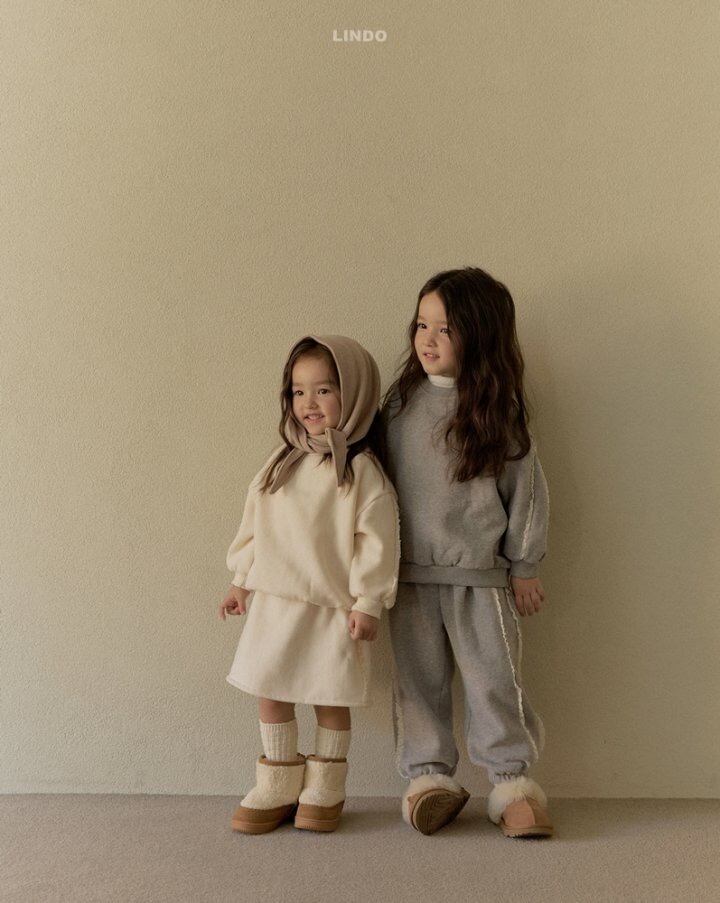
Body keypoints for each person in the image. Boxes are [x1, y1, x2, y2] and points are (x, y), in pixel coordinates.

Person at [382, 267, 553, 838]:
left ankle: (511, 785)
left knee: (494, 682)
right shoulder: (400, 405)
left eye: (445, 328)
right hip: (408, 578)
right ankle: (428, 779)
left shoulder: (497, 412)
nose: (427, 339)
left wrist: (525, 565)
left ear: (478, 335)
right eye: (421, 324)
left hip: (481, 578)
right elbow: (373, 486)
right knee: (417, 684)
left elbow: (527, 492)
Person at [219, 334, 399, 834]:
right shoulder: (282, 461)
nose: (309, 403)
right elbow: (255, 524)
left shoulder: (361, 472)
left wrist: (368, 601)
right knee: (270, 689)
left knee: (329, 695)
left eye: (324, 390)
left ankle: (325, 787)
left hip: (330, 607)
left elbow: (376, 542)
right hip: (276, 602)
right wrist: (241, 581)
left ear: (354, 395)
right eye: (299, 392)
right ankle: (277, 783)